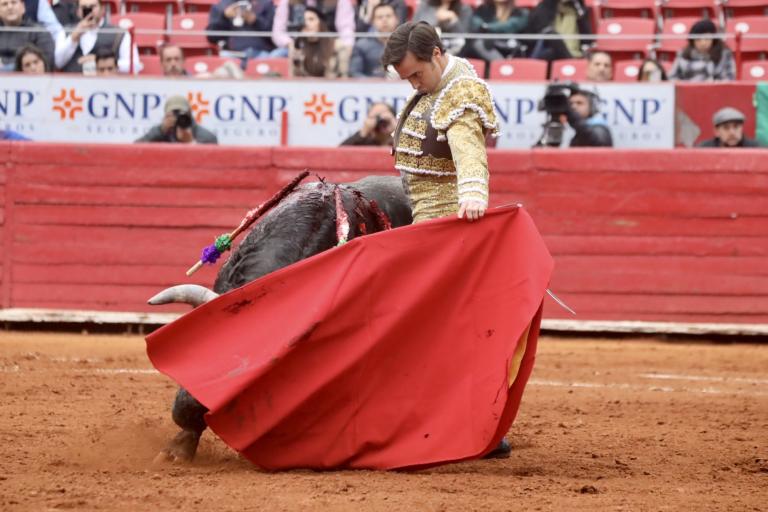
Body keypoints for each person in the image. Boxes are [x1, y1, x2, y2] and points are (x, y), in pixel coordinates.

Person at [383, 21, 522, 459]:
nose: (413, 83)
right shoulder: (436, 89)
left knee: (447, 333)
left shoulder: (460, 93)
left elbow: (469, 156)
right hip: (428, 228)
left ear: (437, 55)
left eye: (416, 74)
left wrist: (473, 197)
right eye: (406, 78)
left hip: (449, 231)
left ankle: (479, 426)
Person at [54, 0, 141, 74]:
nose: (89, 10)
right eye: (84, 7)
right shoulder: (66, 32)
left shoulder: (119, 33)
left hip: (108, 89)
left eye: (92, 6)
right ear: (78, 11)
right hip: (72, 89)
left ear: (102, 9)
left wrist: (103, 62)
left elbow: (135, 66)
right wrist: (74, 37)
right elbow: (57, 62)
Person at [272, 0, 356, 57]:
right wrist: (290, 45)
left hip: (328, 49)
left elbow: (346, 29)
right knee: (276, 55)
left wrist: (346, 46)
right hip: (296, 49)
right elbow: (278, 32)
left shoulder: (340, 1)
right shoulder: (287, 2)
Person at [290, 6, 348, 77]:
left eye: (311, 19)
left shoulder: (337, 46)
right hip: (305, 86)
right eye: (304, 20)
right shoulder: (297, 46)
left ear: (321, 23)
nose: (306, 23)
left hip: (330, 86)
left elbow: (344, 76)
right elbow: (294, 78)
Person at [669, 19, 735, 82]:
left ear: (713, 39)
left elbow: (729, 78)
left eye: (707, 39)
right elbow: (672, 77)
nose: (703, 43)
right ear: (692, 40)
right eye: (698, 39)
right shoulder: (683, 54)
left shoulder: (724, 54)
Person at [525, 0, 592, 61]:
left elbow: (588, 39)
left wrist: (580, 13)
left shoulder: (577, 10)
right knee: (552, 37)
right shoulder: (543, 8)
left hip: (575, 53)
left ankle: (571, 62)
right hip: (548, 52)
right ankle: (571, 62)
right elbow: (539, 34)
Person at [207, 0, 277, 59]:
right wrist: (224, 17)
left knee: (275, 57)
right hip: (232, 54)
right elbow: (212, 37)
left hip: (261, 53)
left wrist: (255, 20)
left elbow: (275, 36)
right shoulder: (221, 6)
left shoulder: (266, 4)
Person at [135, 96, 218, 145]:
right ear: (166, 115)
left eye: (181, 114)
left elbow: (211, 162)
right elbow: (136, 149)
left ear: (189, 113)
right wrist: (161, 130)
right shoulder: (160, 132)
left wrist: (191, 143)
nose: (177, 118)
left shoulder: (208, 138)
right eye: (173, 114)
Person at [0, 0, 55, 72]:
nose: (10, 7)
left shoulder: (38, 32)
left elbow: (47, 60)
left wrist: (6, 70)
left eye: (14, 2)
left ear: (23, 7)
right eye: (5, 4)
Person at [349, 2, 398, 77]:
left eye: (388, 16)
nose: (384, 20)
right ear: (372, 21)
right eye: (379, 17)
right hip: (371, 87)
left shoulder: (407, 45)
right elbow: (354, 73)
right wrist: (373, 84)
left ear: (396, 19)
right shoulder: (361, 46)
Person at [697, 107, 762, 148]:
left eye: (736, 127)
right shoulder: (704, 149)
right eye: (726, 128)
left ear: (742, 128)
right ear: (716, 132)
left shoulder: (756, 148)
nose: (732, 133)